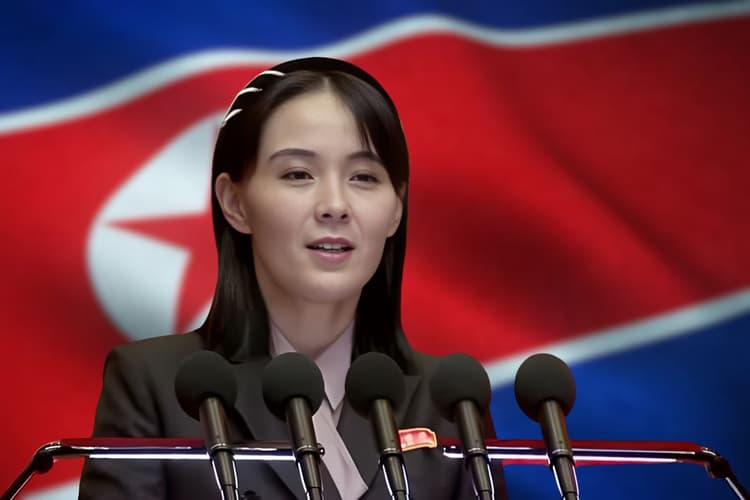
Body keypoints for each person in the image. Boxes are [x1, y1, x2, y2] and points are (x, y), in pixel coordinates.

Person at [78, 57, 507, 499]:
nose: (335, 205)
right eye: (298, 174)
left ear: (396, 208)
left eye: (363, 177)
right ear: (234, 202)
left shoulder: (451, 401)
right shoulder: (155, 384)